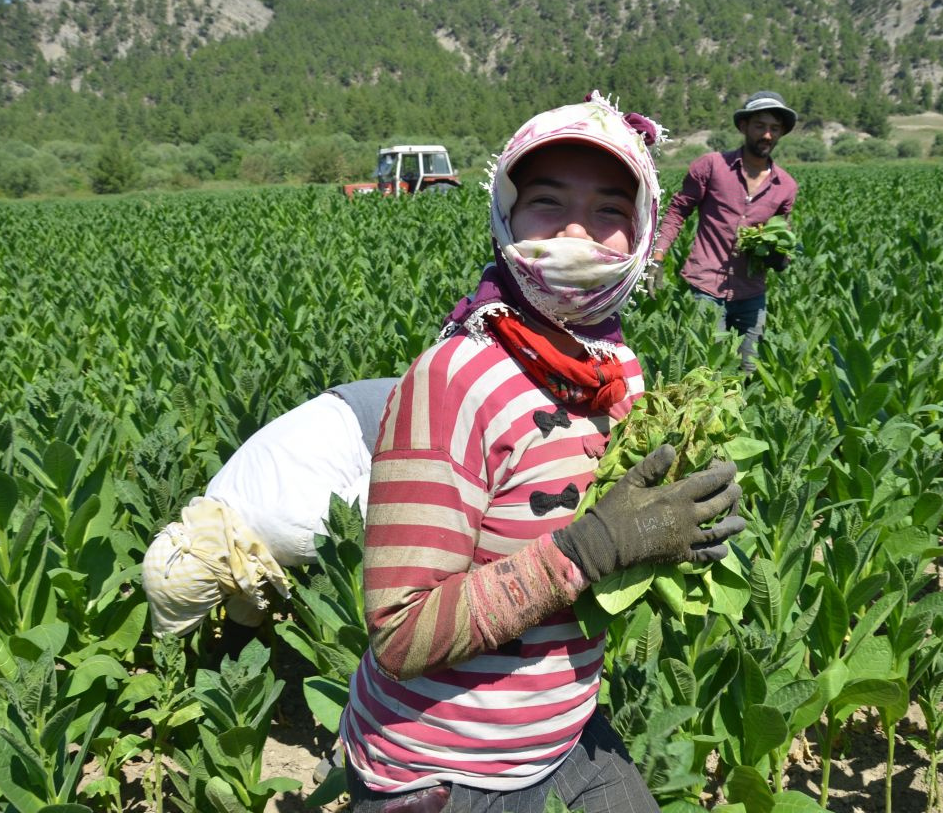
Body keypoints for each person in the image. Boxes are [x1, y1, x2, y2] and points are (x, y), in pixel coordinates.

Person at [339, 92, 745, 813]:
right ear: (505, 217)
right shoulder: (453, 381)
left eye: (613, 212)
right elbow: (401, 632)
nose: (579, 235)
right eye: (548, 204)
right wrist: (592, 549)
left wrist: (679, 529)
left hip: (561, 731)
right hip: (446, 769)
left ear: (646, 233)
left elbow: (616, 535)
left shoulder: (617, 369)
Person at [141, 378, 399, 639]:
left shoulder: (298, 536)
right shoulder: (216, 509)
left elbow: (389, 491)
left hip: (400, 418)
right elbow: (245, 569)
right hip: (357, 399)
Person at [647, 90, 801, 372]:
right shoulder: (712, 166)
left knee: (748, 370)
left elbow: (782, 235)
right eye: (760, 126)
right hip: (706, 287)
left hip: (751, 292)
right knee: (705, 369)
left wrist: (779, 256)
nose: (767, 135)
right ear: (743, 127)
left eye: (774, 129)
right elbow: (678, 211)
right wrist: (657, 257)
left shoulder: (786, 187)